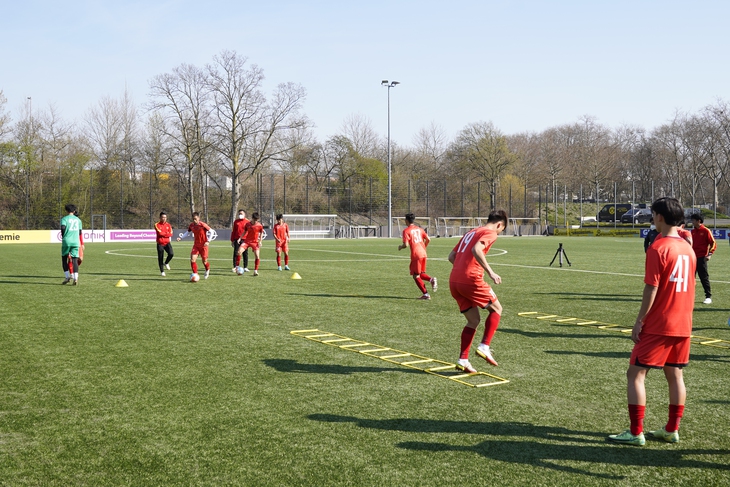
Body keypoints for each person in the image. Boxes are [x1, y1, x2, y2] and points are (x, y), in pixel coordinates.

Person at [608, 197, 696, 446]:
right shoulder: (688, 248)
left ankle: (636, 432)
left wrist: (639, 321)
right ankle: (671, 429)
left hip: (660, 322)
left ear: (659, 216)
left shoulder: (658, 247)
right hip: (684, 322)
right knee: (675, 374)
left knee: (635, 374)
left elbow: (651, 289)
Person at [448, 209, 508, 373]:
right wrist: (491, 272)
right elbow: (476, 249)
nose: (499, 233)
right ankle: (484, 346)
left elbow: (451, 257)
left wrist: (462, 271)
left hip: (454, 281)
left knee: (473, 321)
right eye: (501, 230)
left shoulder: (471, 232)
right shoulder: (490, 233)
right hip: (471, 280)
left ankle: (463, 360)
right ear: (499, 224)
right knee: (497, 309)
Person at [397, 213, 436, 300]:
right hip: (423, 253)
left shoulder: (406, 231)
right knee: (420, 273)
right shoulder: (420, 229)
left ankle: (426, 294)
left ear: (406, 220)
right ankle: (431, 280)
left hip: (416, 255)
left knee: (416, 276)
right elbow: (428, 239)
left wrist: (400, 247)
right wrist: (424, 247)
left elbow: (406, 245)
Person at [176, 212, 212, 280]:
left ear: (198, 218)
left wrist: (208, 241)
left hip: (204, 246)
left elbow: (212, 231)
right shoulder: (191, 225)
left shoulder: (203, 225)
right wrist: (181, 237)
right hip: (196, 245)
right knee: (192, 260)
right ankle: (195, 274)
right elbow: (187, 232)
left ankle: (207, 269)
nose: (194, 220)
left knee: (204, 261)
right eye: (193, 219)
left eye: (195, 219)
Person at [690, 213, 716, 305]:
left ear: (698, 221)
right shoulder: (692, 232)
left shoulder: (706, 231)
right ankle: (689, 296)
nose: (692, 222)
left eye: (693, 220)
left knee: (703, 278)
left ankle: (708, 296)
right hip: (692, 258)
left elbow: (713, 243)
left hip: (701, 258)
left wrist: (709, 254)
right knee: (690, 278)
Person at [60, 204, 83, 285]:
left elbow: (63, 228)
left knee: (64, 259)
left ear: (66, 211)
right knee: (74, 259)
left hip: (67, 241)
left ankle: (67, 277)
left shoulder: (64, 219)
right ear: (74, 211)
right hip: (76, 241)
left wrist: (64, 236)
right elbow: (80, 232)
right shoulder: (78, 220)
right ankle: (76, 278)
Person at [238, 212, 264, 276]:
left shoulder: (259, 225)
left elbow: (261, 233)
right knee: (239, 252)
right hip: (247, 241)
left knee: (257, 256)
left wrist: (260, 241)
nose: (256, 221)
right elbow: (245, 231)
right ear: (252, 218)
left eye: (257, 220)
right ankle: (237, 267)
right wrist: (240, 238)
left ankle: (255, 271)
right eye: (255, 219)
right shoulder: (247, 224)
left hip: (255, 242)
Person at [154, 211, 174, 276]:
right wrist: (166, 234)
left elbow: (171, 234)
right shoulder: (157, 224)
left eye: (165, 217)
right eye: (163, 217)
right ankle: (162, 271)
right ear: (160, 218)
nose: (164, 218)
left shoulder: (168, 225)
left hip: (167, 243)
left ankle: (166, 263)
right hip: (160, 243)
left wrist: (164, 234)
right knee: (160, 257)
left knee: (171, 254)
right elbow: (160, 233)